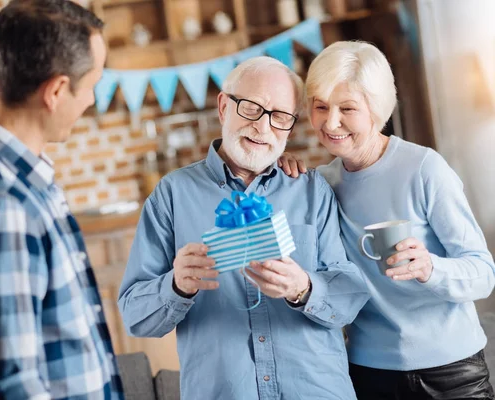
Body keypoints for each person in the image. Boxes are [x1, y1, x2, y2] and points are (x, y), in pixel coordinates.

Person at [117, 56, 369, 400]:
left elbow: (350, 297)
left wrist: (304, 287)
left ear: (290, 128)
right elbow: (135, 316)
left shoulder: (311, 189)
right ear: (224, 107)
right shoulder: (172, 195)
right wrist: (175, 286)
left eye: (280, 116)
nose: (263, 127)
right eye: (251, 108)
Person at [0, 1, 124, 398]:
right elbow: (10, 387)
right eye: (91, 85)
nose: (89, 100)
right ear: (55, 91)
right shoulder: (2, 205)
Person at [279, 41, 495, 399]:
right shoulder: (322, 185)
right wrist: (280, 172)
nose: (331, 122)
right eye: (320, 107)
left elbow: (483, 273)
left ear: (376, 110)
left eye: (347, 108)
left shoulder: (425, 169)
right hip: (369, 373)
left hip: (452, 373)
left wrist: (430, 269)